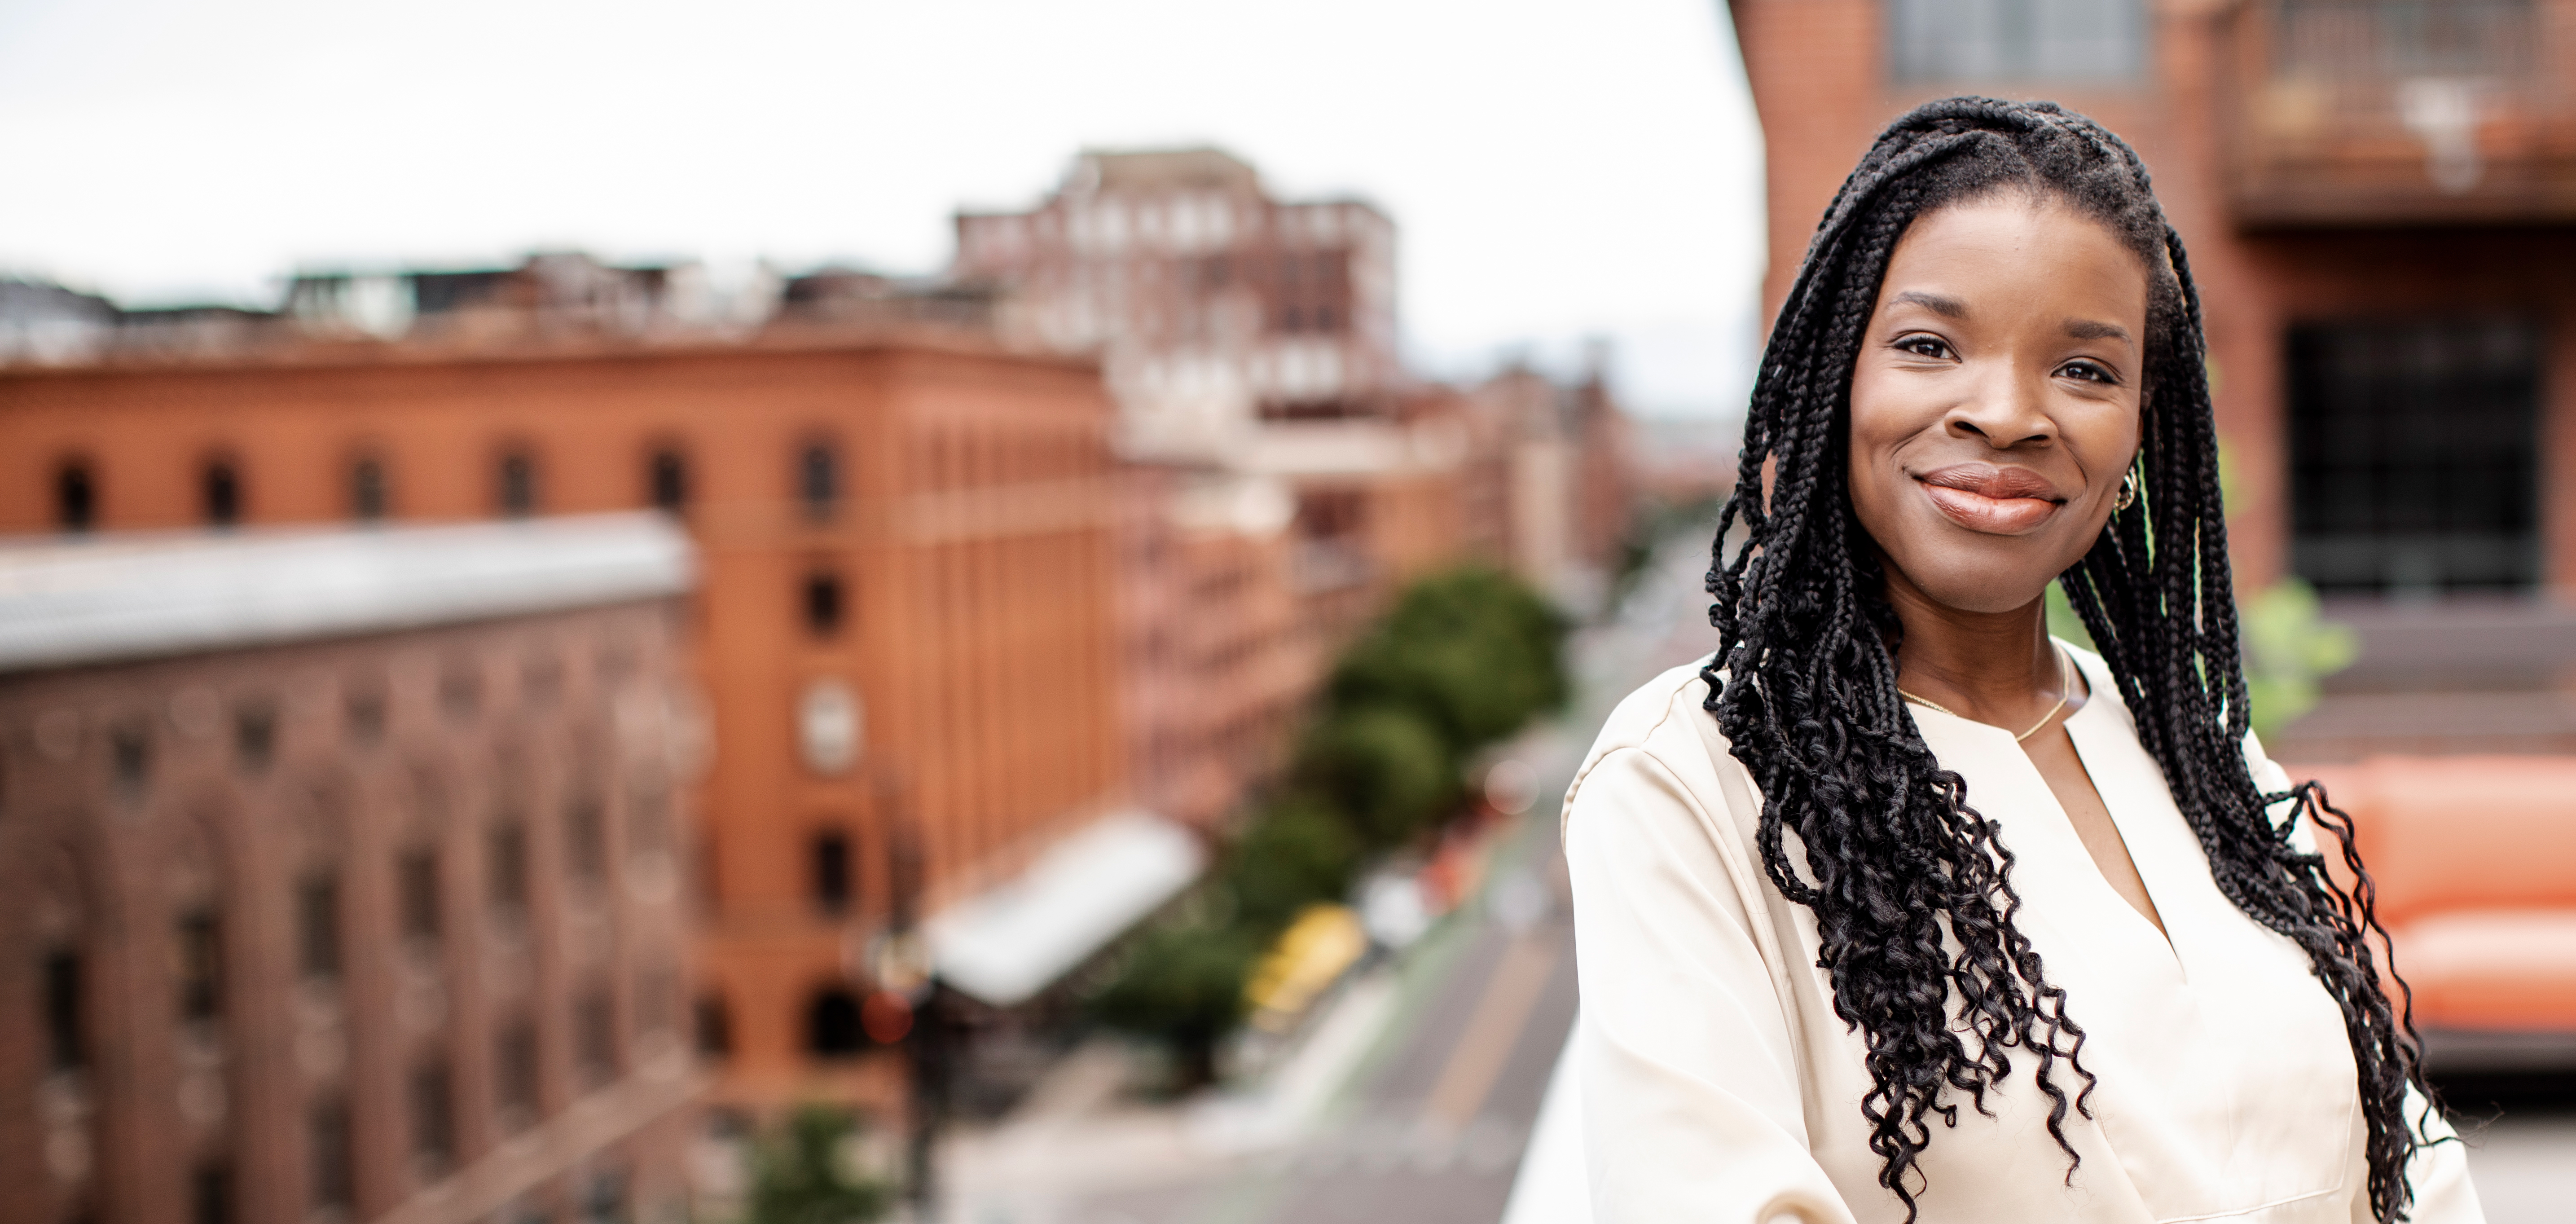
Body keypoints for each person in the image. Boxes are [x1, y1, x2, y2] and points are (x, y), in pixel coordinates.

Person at [1562, 97, 2483, 1224]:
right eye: (1926, 346)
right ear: (1832, 385)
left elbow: (2414, 1169)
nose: (2005, 414)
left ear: (2143, 429)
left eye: (2085, 370)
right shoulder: (1689, 782)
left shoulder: (2209, 763)